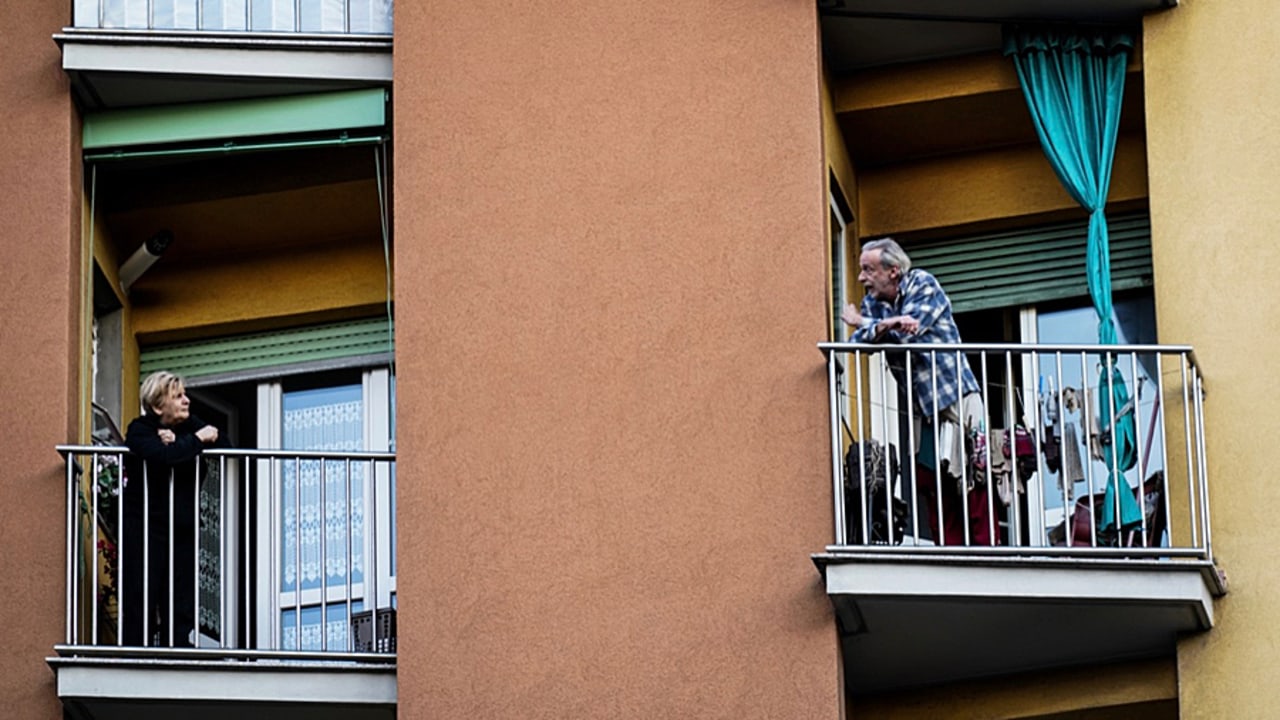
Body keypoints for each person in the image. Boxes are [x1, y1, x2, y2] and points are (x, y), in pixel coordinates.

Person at [841, 238, 993, 546]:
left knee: (976, 473)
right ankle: (949, 548)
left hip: (955, 394)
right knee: (930, 479)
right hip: (922, 406)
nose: (861, 278)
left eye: (868, 270)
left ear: (893, 271)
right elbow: (860, 342)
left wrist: (872, 325)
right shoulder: (876, 303)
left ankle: (988, 547)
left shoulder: (923, 283)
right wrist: (887, 322)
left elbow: (909, 336)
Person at [122, 370, 221, 647]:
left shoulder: (189, 426)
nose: (186, 401)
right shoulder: (140, 429)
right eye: (177, 396)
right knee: (143, 591)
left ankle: (177, 648)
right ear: (157, 406)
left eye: (184, 394)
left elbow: (225, 442)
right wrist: (196, 441)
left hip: (182, 526)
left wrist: (185, 441)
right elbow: (161, 456)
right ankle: (135, 652)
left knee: (181, 595)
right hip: (146, 526)